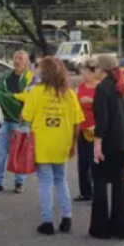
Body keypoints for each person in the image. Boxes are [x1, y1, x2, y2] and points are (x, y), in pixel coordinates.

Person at [21, 57, 83, 235]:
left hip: (42, 142)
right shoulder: (69, 94)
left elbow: (26, 117)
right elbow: (77, 123)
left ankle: (47, 221)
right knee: (61, 180)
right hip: (62, 142)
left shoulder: (36, 92)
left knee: (45, 182)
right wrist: (73, 144)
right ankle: (66, 217)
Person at [90, 56, 124, 240]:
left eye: (96, 67)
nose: (94, 70)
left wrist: (97, 144)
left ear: (102, 69)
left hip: (110, 141)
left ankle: (100, 228)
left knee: (100, 182)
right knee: (119, 183)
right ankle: (121, 227)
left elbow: (102, 119)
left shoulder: (102, 88)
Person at [0, 50, 35, 194]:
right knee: (0, 152)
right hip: (5, 119)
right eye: (16, 57)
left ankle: (19, 182)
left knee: (20, 152)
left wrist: (8, 97)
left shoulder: (30, 77)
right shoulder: (6, 76)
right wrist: (15, 99)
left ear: (26, 62)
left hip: (21, 120)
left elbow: (28, 98)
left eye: (21, 58)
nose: (17, 60)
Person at [75, 59, 100, 202]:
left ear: (94, 72)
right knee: (82, 162)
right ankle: (85, 192)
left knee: (94, 162)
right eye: (83, 72)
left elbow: (107, 107)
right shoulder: (80, 87)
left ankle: (98, 192)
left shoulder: (100, 88)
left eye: (87, 72)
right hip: (82, 128)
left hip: (95, 129)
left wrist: (91, 101)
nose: (84, 75)